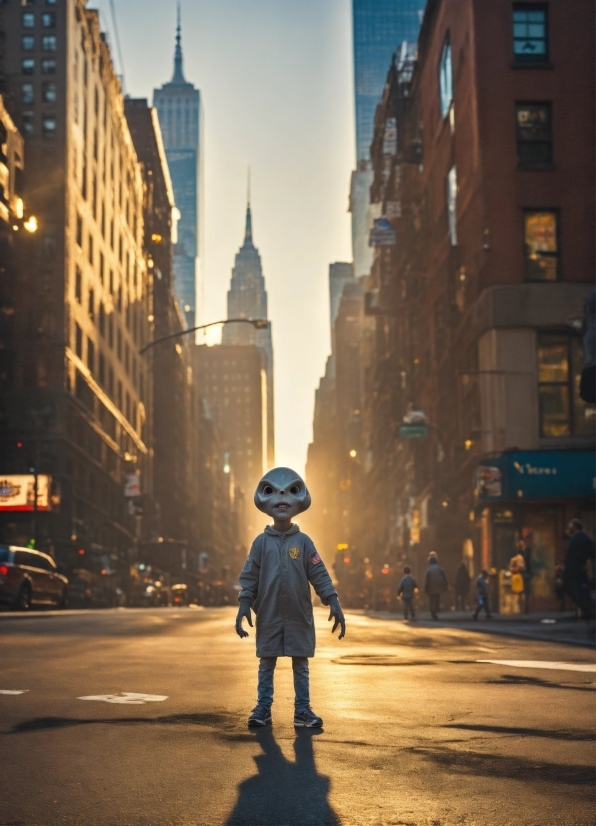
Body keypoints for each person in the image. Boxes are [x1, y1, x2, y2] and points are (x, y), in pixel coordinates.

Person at [236, 467, 345, 729]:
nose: (282, 498)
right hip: (270, 614)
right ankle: (263, 707)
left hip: (298, 615)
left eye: (290, 491)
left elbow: (318, 572)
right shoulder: (260, 543)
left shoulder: (304, 542)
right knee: (267, 663)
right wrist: (243, 605)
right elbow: (250, 576)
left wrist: (333, 600)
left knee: (301, 664)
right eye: (274, 491)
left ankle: (302, 710)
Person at [562, 519, 595, 620]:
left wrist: (566, 568)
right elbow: (592, 556)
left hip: (573, 570)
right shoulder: (587, 539)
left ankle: (586, 609)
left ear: (574, 527)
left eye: (570, 526)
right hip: (582, 569)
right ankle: (586, 610)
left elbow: (571, 557)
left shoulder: (574, 540)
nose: (568, 528)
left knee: (568, 587)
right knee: (583, 589)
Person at [424, 553, 448, 620]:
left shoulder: (428, 570)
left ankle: (433, 612)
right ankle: (437, 609)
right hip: (438, 585)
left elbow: (426, 579)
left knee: (431, 599)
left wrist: (426, 587)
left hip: (431, 586)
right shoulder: (440, 569)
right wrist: (446, 584)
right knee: (437, 598)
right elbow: (444, 577)